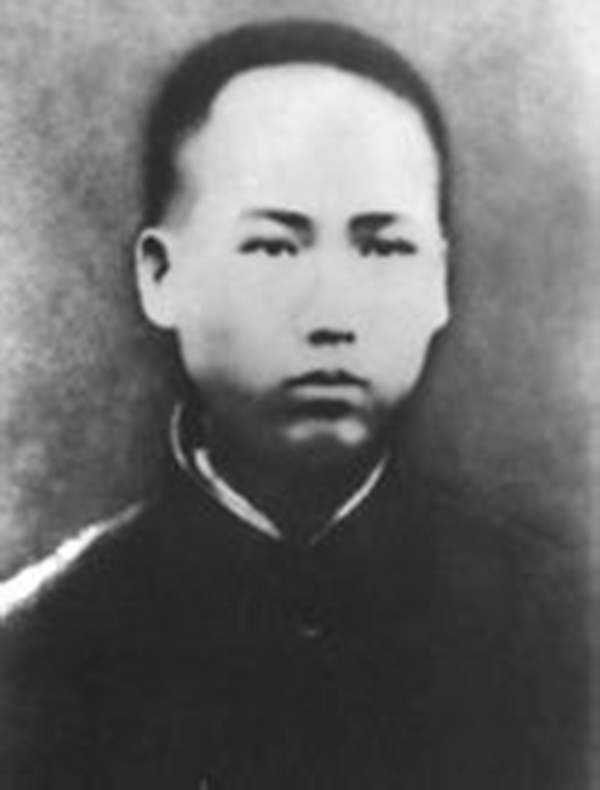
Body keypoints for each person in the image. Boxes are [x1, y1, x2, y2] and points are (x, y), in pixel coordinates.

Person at [0, 19, 585, 789]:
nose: (330, 312)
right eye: (273, 246)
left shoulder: (560, 628)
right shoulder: (35, 651)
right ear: (161, 276)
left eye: (384, 246)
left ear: (438, 282)